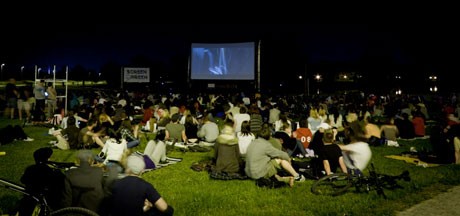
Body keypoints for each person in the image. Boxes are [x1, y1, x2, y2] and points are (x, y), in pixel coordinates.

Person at [110, 155, 174, 216]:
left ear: (127, 169)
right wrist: (150, 205)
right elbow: (165, 208)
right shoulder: (146, 186)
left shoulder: (115, 183)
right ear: (142, 171)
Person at [19, 147, 65, 215]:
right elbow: (61, 183)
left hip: (29, 198)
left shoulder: (30, 169)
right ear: (47, 159)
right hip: (48, 201)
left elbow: (23, 180)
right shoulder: (51, 171)